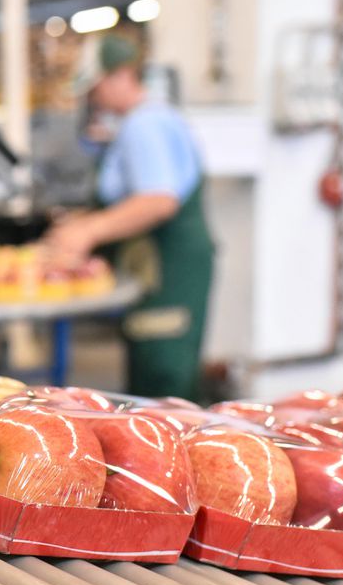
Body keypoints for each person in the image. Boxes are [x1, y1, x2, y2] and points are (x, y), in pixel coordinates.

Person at [43, 34, 214, 400]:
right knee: (152, 384)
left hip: (169, 275)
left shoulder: (144, 126)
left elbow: (158, 201)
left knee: (164, 387)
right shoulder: (140, 122)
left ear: (122, 76)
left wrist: (89, 231)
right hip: (155, 272)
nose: (94, 98)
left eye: (97, 86)